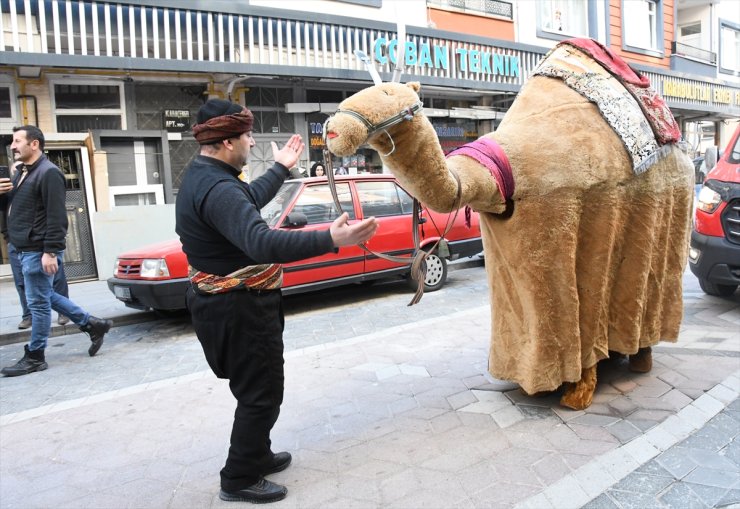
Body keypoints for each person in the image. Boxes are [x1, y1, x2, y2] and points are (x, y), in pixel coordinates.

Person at [175, 99, 378, 504]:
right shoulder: (218, 187)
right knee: (261, 393)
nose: (252, 143)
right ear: (228, 140)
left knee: (258, 385)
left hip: (230, 305)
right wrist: (330, 240)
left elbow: (246, 198)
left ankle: (258, 453)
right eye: (248, 136)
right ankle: (239, 478)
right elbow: (261, 242)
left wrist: (281, 168)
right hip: (239, 307)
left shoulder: (207, 176)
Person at [0, 125, 113, 377]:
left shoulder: (49, 173)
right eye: (12, 141)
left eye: (18, 141)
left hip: (37, 248)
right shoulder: (20, 173)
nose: (13, 145)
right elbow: (12, 208)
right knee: (44, 295)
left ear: (34, 144)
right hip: (21, 247)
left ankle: (36, 356)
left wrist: (51, 251)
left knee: (38, 304)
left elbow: (57, 217)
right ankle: (92, 324)